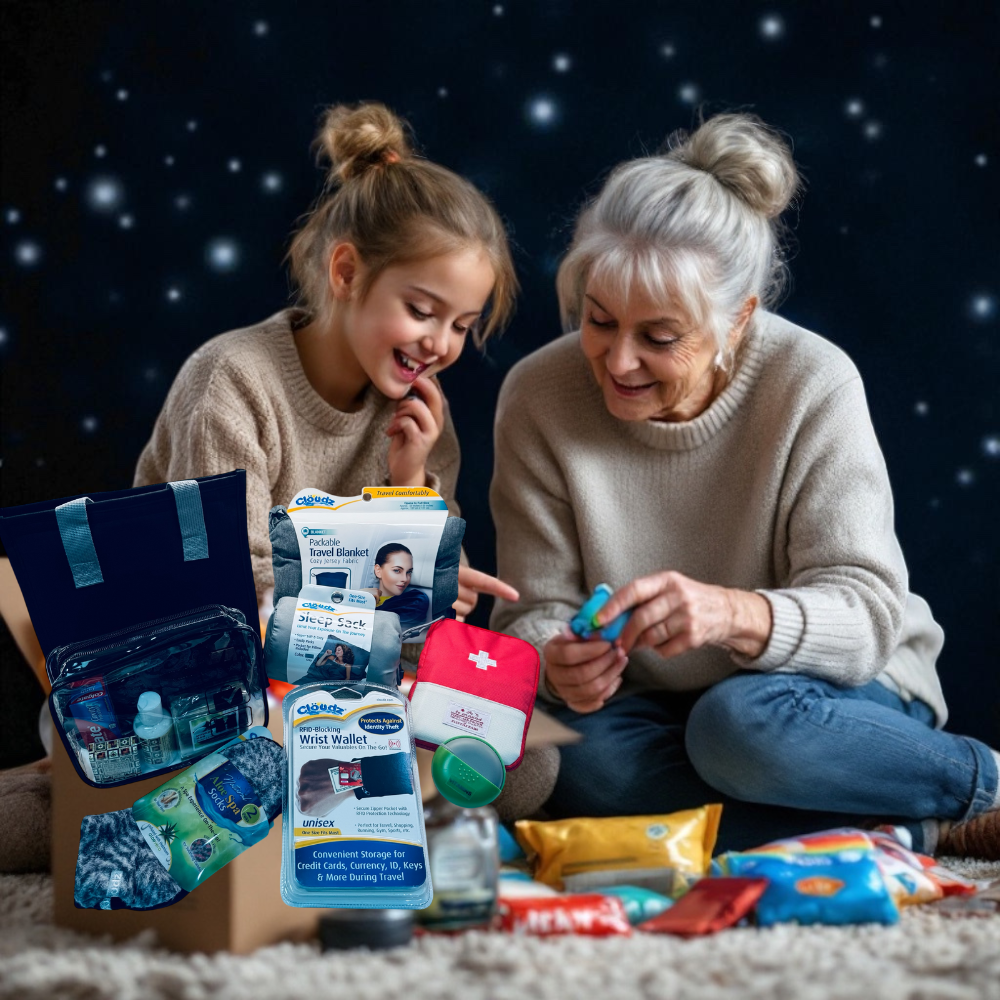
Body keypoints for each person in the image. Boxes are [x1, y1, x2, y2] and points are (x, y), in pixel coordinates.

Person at [490, 112, 1000, 858]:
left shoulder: (811, 382)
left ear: (738, 322)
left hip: (818, 699)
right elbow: (534, 613)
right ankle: (911, 831)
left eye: (660, 337)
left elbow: (866, 616)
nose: (618, 362)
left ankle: (977, 783)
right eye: (599, 321)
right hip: (653, 712)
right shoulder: (538, 395)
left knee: (737, 727)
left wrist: (734, 615)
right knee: (565, 762)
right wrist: (559, 662)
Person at [135, 102, 518, 620]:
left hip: (333, 680)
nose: (440, 345)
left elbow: (435, 617)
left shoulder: (418, 421)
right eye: (422, 311)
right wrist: (391, 589)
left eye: (462, 326)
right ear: (346, 273)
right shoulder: (230, 382)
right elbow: (231, 586)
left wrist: (408, 485)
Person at [362, 542, 430, 629]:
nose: (405, 579)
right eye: (397, 570)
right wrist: (361, 596)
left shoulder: (415, 601)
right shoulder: (363, 597)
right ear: (378, 571)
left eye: (409, 572)